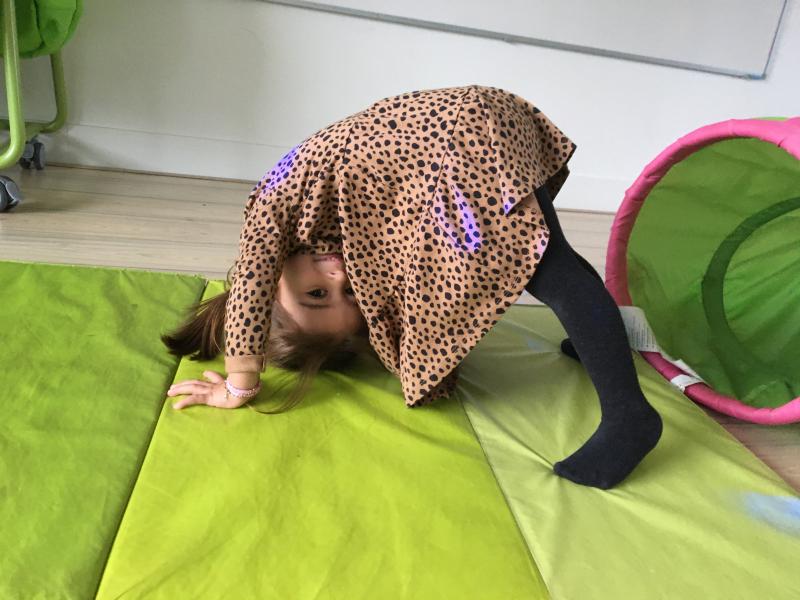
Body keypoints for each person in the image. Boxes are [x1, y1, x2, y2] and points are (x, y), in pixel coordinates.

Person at [162, 84, 662, 489]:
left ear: (270, 284)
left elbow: (251, 281)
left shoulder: (267, 213)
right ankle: (601, 341)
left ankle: (629, 415)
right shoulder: (340, 238)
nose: (338, 278)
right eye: (347, 297)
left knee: (547, 267)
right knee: (549, 253)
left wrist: (240, 381)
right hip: (468, 121)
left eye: (315, 294)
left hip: (457, 137)